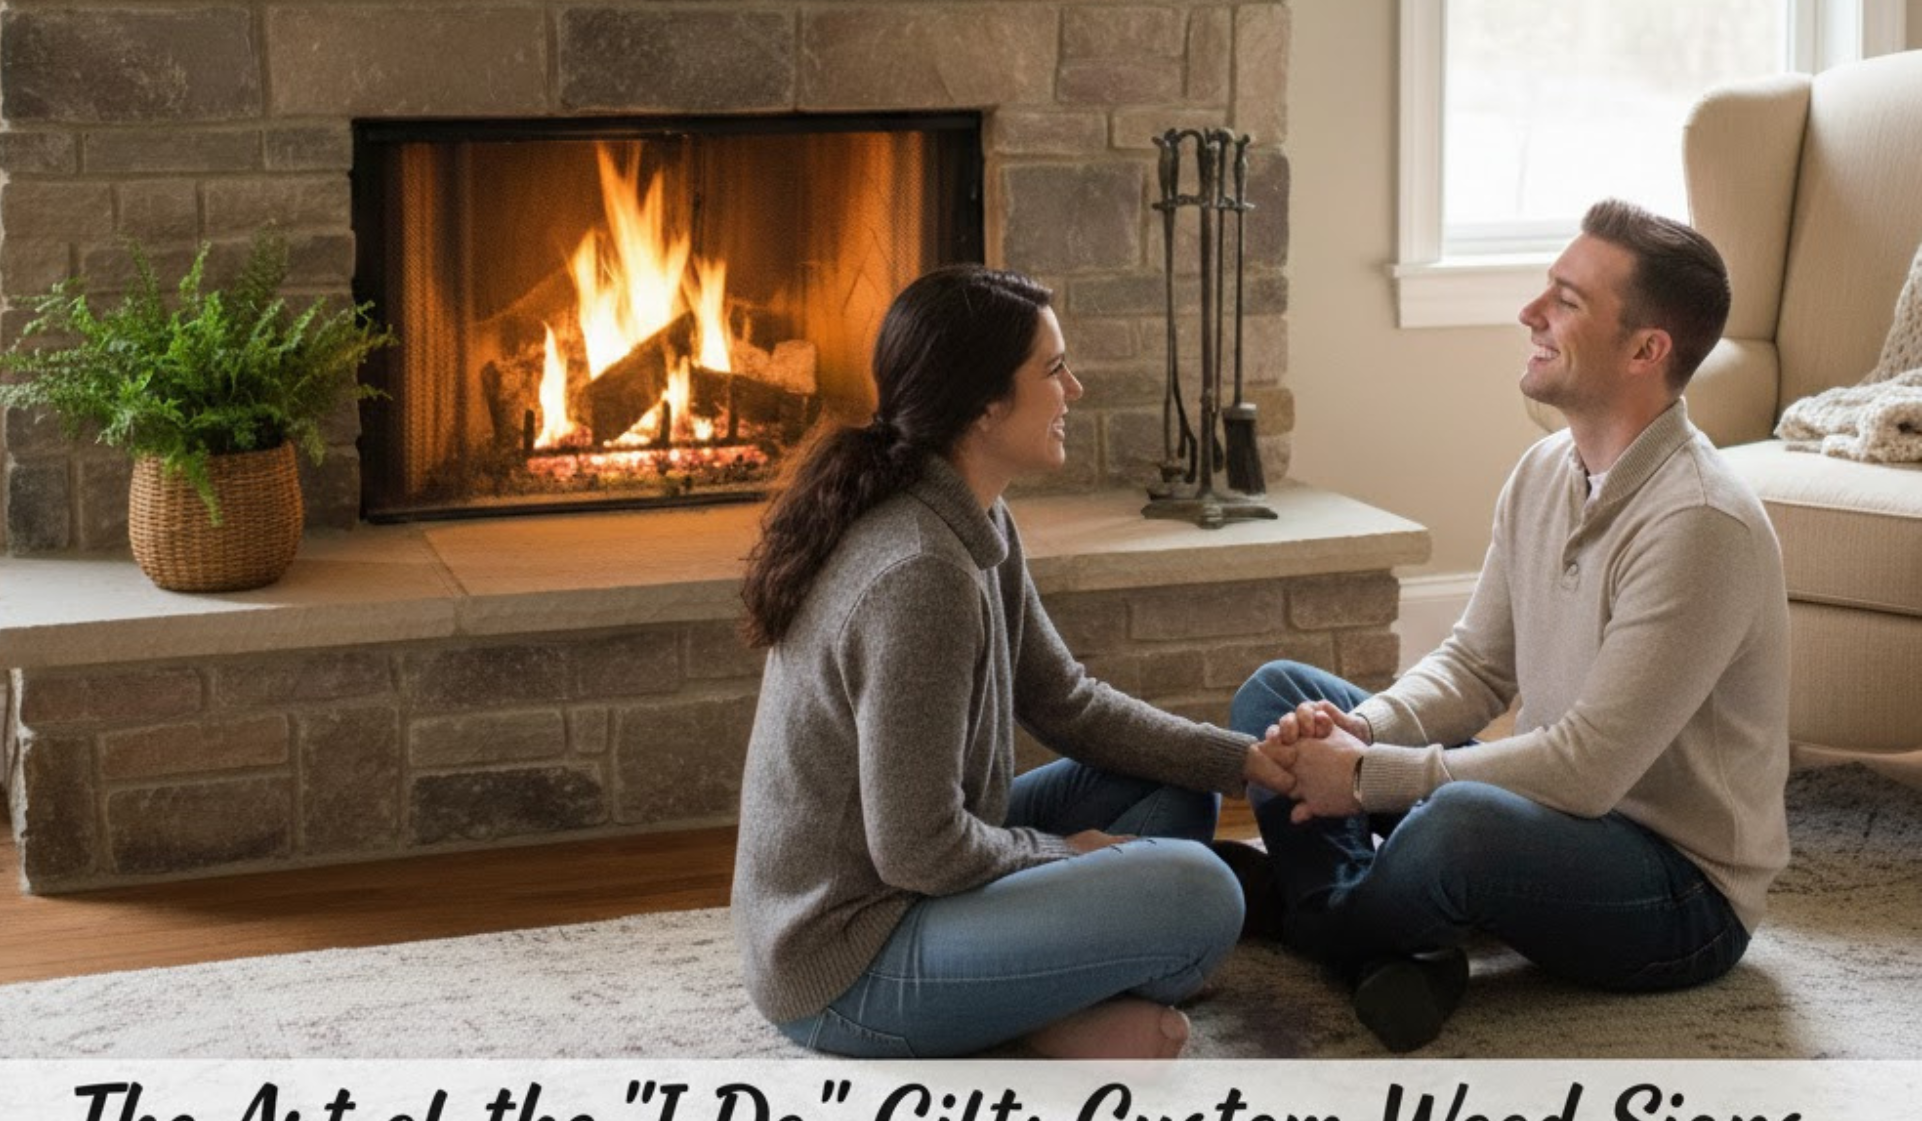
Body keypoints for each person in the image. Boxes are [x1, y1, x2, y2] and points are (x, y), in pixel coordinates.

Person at [1233, 199, 1790, 1052]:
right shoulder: (1544, 470)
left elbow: (1587, 769)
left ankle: (1296, 910)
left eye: (1566, 302)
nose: (1529, 314)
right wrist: (1357, 731)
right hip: (1562, 825)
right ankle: (1387, 946)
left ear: (1647, 350)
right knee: (1278, 692)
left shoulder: (1701, 523)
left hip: (1679, 896)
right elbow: (1474, 667)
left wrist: (1369, 778)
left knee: (1455, 829)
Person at [732, 263, 1292, 1060]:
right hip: (846, 963)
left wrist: (1246, 762)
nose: (1077, 388)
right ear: (986, 405)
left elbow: (1067, 702)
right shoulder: (922, 572)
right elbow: (919, 849)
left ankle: (1038, 999)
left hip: (922, 881)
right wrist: (1067, 853)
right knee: (1201, 892)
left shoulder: (974, 513)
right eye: (1054, 369)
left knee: (1172, 797)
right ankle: (1038, 1014)